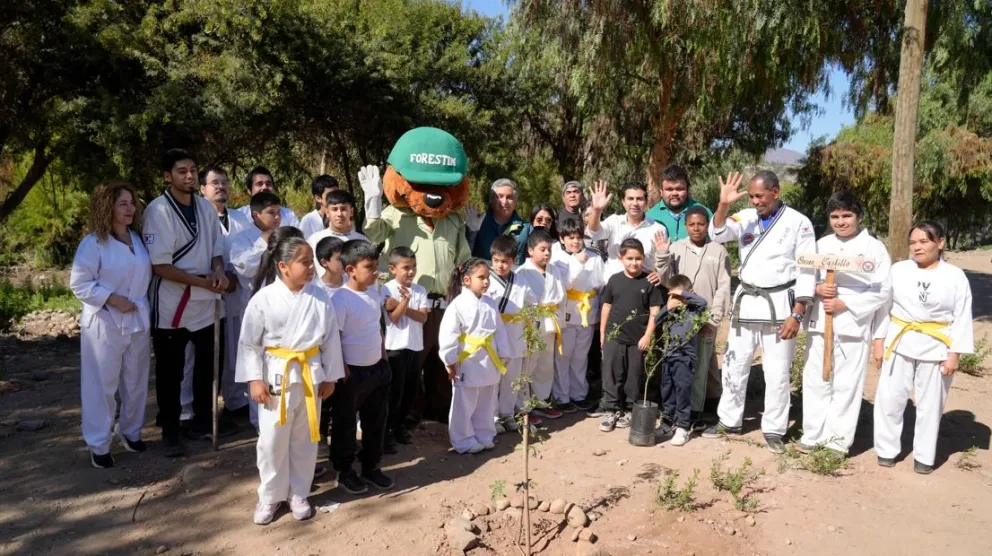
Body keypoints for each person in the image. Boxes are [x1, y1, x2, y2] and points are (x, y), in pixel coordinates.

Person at [702, 170, 815, 454]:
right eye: (751, 196)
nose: (755, 201)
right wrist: (724, 204)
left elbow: (807, 270)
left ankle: (775, 428)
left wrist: (797, 313)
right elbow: (716, 233)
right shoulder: (746, 218)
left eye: (760, 196)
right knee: (734, 364)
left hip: (780, 303)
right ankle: (729, 420)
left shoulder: (799, 223)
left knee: (777, 371)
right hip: (748, 300)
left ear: (776, 192)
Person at [235, 234, 344, 525]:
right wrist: (254, 379)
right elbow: (249, 344)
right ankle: (270, 495)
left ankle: (299, 491)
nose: (312, 269)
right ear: (283, 266)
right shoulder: (263, 299)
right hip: (276, 376)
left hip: (310, 374)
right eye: (305, 263)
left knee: (306, 438)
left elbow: (331, 339)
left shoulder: (319, 297)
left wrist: (331, 375)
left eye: (312, 263)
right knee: (271, 440)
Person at [143, 149, 233, 456]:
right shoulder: (158, 211)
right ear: (168, 176)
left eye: (193, 170)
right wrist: (202, 281)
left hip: (206, 298)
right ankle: (170, 430)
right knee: (171, 370)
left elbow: (216, 248)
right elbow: (160, 266)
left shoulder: (205, 208)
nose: (190, 176)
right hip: (172, 300)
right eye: (182, 171)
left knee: (208, 365)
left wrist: (219, 271)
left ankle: (203, 422)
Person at [872, 221, 973, 474]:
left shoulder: (954, 276)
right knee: (889, 399)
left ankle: (924, 456)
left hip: (937, 344)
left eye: (924, 241)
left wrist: (954, 354)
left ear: (940, 243)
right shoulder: (899, 270)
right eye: (913, 243)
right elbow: (884, 308)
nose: (917, 247)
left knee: (931, 404)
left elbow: (962, 316)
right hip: (899, 340)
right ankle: (886, 450)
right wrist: (878, 341)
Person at [800, 191, 892, 454]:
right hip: (821, 322)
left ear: (859, 216)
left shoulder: (874, 248)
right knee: (816, 379)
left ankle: (837, 442)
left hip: (853, 324)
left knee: (846, 384)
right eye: (835, 216)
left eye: (847, 216)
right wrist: (817, 289)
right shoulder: (821, 244)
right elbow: (805, 274)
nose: (841, 222)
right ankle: (813, 434)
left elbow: (884, 290)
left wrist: (846, 304)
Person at [70, 182, 152, 468]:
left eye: (132, 202)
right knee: (101, 384)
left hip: (138, 321)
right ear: (108, 207)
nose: (130, 208)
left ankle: (130, 432)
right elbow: (79, 284)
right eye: (123, 203)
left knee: (136, 379)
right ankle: (99, 443)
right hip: (104, 323)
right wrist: (113, 299)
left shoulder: (137, 240)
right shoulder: (93, 243)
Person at [181, 165, 252, 425]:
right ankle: (187, 411)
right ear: (202, 189)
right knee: (195, 357)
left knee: (233, 352)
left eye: (224, 182)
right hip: (202, 293)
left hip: (235, 292)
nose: (221, 186)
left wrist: (235, 277)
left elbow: (249, 252)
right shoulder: (195, 219)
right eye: (214, 183)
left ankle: (234, 401)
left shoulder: (242, 219)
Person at [654, 205, 732, 424]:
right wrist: (662, 255)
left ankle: (696, 413)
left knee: (702, 366)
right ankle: (676, 411)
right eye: (692, 224)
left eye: (701, 224)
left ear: (708, 225)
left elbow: (723, 288)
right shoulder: (677, 248)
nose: (696, 228)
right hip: (680, 320)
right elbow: (665, 279)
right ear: (686, 226)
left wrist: (713, 319)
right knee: (679, 365)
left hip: (705, 318)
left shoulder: (718, 251)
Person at [329, 240, 394, 494]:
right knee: (345, 424)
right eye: (369, 266)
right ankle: (345, 471)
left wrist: (383, 357)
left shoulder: (374, 294)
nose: (375, 271)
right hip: (351, 374)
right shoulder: (341, 299)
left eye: (376, 265)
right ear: (350, 270)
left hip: (377, 370)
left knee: (376, 421)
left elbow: (376, 327)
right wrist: (342, 369)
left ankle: (371, 466)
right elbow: (334, 337)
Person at [440, 257, 511, 453]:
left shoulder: (490, 303)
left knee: (487, 402)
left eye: (488, 277)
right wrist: (450, 360)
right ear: (466, 279)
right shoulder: (457, 305)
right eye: (481, 277)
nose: (486, 281)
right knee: (465, 403)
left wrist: (504, 353)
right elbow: (448, 334)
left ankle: (484, 434)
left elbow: (500, 331)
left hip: (489, 358)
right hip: (468, 360)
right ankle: (463, 440)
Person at [229, 192, 287, 431]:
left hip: (284, 309)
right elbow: (245, 269)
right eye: (270, 213)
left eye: (278, 213)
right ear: (256, 215)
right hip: (254, 309)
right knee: (258, 363)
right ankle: (259, 421)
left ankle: (283, 413)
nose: (276, 218)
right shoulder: (243, 239)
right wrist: (265, 240)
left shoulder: (286, 237)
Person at [597, 238, 663, 431]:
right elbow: (607, 306)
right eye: (629, 258)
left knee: (633, 375)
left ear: (643, 258)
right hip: (614, 336)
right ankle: (611, 409)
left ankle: (628, 409)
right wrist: (603, 333)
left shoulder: (649, 281)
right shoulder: (615, 280)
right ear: (621, 258)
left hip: (637, 339)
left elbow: (655, 311)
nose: (634, 263)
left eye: (638, 258)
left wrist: (648, 335)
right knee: (612, 373)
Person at [550, 217, 605, 412]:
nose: (575, 241)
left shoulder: (595, 257)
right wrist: (576, 263)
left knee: (581, 356)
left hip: (587, 313)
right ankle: (561, 396)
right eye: (570, 237)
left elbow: (599, 285)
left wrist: (597, 317)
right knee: (563, 356)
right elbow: (563, 285)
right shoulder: (557, 260)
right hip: (566, 312)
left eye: (578, 237)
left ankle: (578, 393)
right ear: (561, 238)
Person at [486, 236, 537, 432]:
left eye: (505, 261)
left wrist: (531, 332)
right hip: (493, 335)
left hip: (516, 334)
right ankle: (493, 417)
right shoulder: (485, 279)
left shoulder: (521, 280)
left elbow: (532, 306)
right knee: (493, 379)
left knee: (512, 379)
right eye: (497, 261)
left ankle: (507, 414)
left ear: (513, 260)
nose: (500, 265)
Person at [381, 246, 430, 453]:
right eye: (406, 268)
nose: (410, 272)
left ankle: (401, 426)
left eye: (414, 267)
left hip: (414, 346)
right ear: (393, 269)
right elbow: (393, 318)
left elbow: (422, 317)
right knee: (394, 392)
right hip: (394, 348)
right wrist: (404, 304)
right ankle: (387, 432)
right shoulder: (386, 289)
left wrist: (403, 304)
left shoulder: (419, 290)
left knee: (410, 389)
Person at [516, 228, 567, 420]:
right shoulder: (522, 272)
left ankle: (541, 401)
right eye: (542, 249)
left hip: (550, 322)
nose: (547, 253)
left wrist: (559, 319)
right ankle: (522, 407)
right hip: (531, 324)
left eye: (549, 250)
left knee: (545, 365)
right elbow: (521, 302)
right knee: (528, 365)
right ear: (530, 251)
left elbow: (561, 297)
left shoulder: (554, 270)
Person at [655, 275, 709, 446]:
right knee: (667, 390)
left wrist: (685, 295)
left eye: (679, 296)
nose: (676, 300)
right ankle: (667, 422)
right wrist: (668, 307)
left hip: (685, 358)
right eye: (673, 296)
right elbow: (656, 320)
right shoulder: (671, 312)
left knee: (682, 391)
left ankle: (683, 427)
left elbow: (703, 303)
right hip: (668, 356)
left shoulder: (694, 310)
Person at [585, 181, 667, 283]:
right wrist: (596, 211)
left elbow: (663, 259)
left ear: (646, 202)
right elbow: (593, 233)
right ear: (623, 202)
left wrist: (659, 273)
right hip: (613, 288)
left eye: (640, 199)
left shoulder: (658, 229)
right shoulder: (614, 222)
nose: (635, 203)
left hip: (643, 288)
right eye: (630, 199)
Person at [308, 190, 368, 279]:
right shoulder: (314, 240)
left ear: (351, 212)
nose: (339, 214)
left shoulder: (362, 241)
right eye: (334, 209)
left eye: (343, 209)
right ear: (327, 212)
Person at [645, 164, 713, 241]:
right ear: (661, 192)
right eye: (669, 189)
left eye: (679, 189)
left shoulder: (704, 212)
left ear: (687, 190)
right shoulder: (650, 216)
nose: (674, 193)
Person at [466, 178, 527, 260]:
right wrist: (471, 232)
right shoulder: (478, 222)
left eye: (509, 197)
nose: (504, 202)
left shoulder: (526, 229)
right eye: (500, 196)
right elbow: (464, 255)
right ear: (491, 199)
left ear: (516, 201)